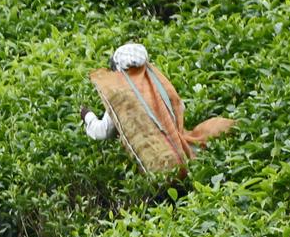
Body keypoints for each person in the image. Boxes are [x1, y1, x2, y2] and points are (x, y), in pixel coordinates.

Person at [79, 43, 235, 173]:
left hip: (157, 165)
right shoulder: (157, 82)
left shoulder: (122, 94)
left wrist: (87, 116)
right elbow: (180, 107)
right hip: (179, 149)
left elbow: (103, 131)